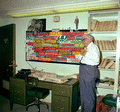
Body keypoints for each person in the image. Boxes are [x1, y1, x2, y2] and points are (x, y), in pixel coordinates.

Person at [77, 34, 100, 112]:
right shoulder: (87, 48)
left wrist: (85, 53)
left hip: (89, 70)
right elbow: (79, 58)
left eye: (84, 39)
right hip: (84, 70)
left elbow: (96, 60)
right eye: (82, 39)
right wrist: (82, 55)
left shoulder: (94, 47)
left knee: (89, 93)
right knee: (83, 92)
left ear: (90, 39)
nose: (83, 41)